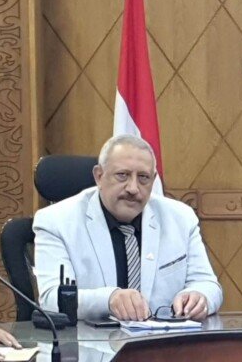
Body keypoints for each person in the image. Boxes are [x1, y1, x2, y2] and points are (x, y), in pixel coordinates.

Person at [34, 135, 222, 321]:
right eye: (122, 175)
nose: (133, 188)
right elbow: (51, 299)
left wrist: (199, 297)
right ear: (99, 176)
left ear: (154, 180)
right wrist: (109, 300)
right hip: (90, 339)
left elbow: (208, 284)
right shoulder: (56, 221)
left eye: (143, 178)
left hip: (164, 338)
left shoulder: (181, 218)